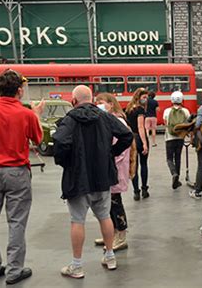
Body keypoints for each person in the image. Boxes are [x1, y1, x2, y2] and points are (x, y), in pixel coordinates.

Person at [53, 85, 133, 278]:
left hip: (78, 179)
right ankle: (110, 256)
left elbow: (61, 142)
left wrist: (66, 162)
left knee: (77, 220)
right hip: (103, 176)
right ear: (91, 98)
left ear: (73, 101)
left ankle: (77, 266)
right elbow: (127, 135)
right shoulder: (105, 117)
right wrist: (110, 153)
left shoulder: (70, 119)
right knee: (105, 216)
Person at [0, 70, 44, 285]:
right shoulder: (25, 114)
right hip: (17, 171)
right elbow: (38, 138)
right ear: (19, 90)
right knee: (16, 222)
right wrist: (36, 114)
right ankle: (14, 270)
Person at [95, 93, 134, 251]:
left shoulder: (118, 121)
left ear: (111, 104)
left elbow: (120, 149)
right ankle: (112, 233)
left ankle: (121, 235)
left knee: (115, 203)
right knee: (108, 203)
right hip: (110, 168)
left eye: (101, 102)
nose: (98, 104)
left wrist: (109, 162)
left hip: (115, 169)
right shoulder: (108, 120)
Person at [126, 88, 150, 201]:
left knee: (134, 165)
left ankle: (136, 191)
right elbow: (141, 127)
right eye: (144, 97)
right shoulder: (140, 110)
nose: (146, 99)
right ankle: (144, 189)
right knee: (144, 164)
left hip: (131, 139)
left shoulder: (129, 109)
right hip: (139, 138)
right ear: (139, 97)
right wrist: (145, 143)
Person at [163, 91, 190, 189]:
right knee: (178, 157)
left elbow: (165, 122)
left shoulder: (167, 111)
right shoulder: (186, 111)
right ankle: (177, 180)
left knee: (169, 158)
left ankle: (174, 173)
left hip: (169, 138)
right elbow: (188, 123)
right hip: (180, 138)